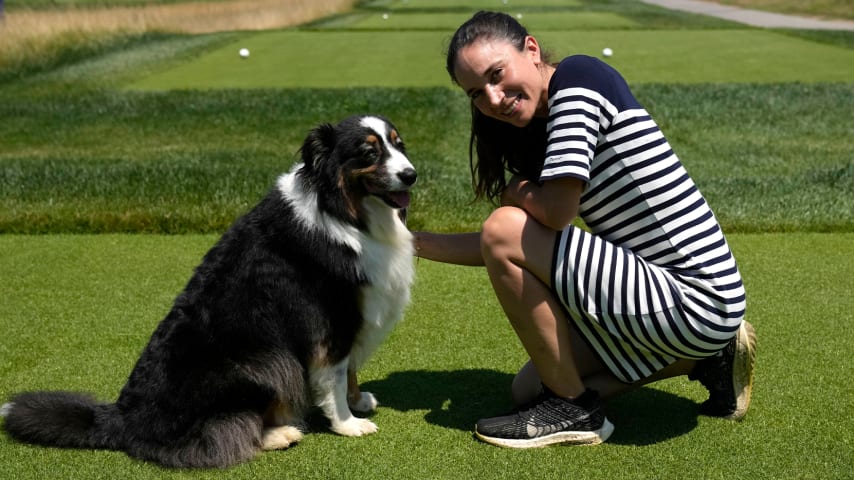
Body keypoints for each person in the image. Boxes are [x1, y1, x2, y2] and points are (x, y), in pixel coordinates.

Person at [412, 11, 756, 449]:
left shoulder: (577, 80)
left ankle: (574, 408)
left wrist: (517, 192)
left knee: (504, 227)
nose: (494, 98)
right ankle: (709, 360)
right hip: (672, 301)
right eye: (477, 93)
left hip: (696, 296)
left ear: (531, 50)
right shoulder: (538, 129)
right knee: (526, 391)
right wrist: (413, 244)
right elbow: (505, 246)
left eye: (497, 75)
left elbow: (553, 215)